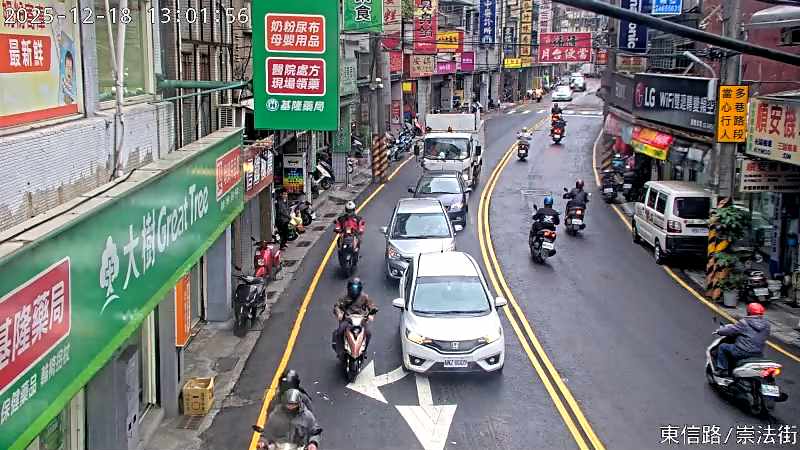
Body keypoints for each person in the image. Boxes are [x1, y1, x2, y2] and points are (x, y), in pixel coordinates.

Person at [715, 303, 770, 376]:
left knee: (723, 347)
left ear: (748, 312)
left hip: (742, 351)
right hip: (758, 353)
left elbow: (730, 330)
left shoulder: (744, 322)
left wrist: (719, 331)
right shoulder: (767, 325)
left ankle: (722, 370)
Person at [332, 278, 378, 359]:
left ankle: (364, 350)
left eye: (356, 288)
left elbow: (372, 306)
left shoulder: (364, 297)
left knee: (368, 333)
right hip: (348, 319)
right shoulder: (345, 297)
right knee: (339, 332)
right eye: (353, 288)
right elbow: (337, 306)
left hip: (361, 319)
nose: (354, 290)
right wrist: (339, 313)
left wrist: (371, 314)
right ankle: (340, 351)